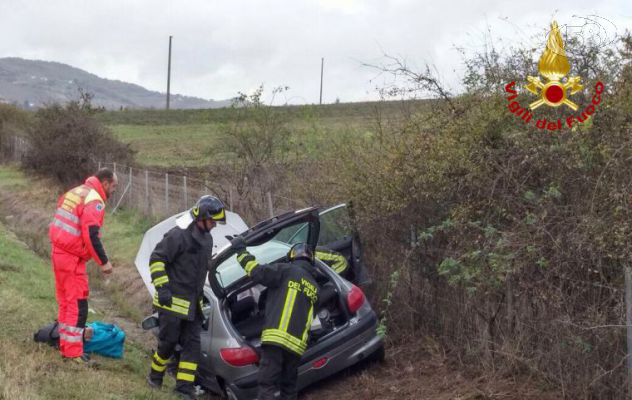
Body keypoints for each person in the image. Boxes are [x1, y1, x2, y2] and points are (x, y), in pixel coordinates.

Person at [147, 195, 226, 400]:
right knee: (168, 343)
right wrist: (162, 287)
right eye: (213, 220)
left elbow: (201, 270)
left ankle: (184, 388)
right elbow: (157, 259)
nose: (215, 225)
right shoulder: (178, 235)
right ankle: (155, 377)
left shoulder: (207, 240)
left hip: (193, 306)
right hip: (171, 302)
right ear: (202, 217)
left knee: (192, 349)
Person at [233, 240, 320, 400]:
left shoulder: (285, 270)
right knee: (289, 388)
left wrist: (240, 252)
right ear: (311, 260)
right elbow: (310, 316)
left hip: (275, 341)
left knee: (267, 385)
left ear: (292, 257)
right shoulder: (315, 286)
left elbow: (256, 272)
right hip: (296, 347)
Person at [48, 168, 118, 363]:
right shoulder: (95, 200)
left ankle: (64, 344)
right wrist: (104, 262)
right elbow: (91, 234)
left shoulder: (76, 191)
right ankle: (72, 354)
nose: (114, 190)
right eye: (114, 186)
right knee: (77, 306)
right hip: (71, 258)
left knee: (65, 301)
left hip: (59, 252)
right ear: (104, 182)